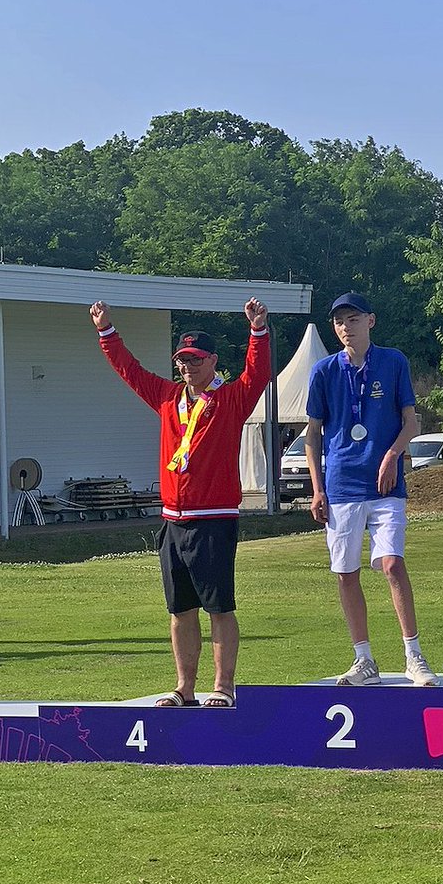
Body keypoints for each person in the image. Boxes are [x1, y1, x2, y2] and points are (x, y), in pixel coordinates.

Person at [90, 298, 271, 708]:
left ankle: (222, 688)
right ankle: (184, 687)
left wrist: (257, 331)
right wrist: (106, 332)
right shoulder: (169, 398)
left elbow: (257, 373)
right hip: (173, 520)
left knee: (219, 608)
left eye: (195, 359)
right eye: (182, 360)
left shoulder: (231, 400)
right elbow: (130, 372)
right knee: (180, 610)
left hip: (213, 518)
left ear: (212, 362)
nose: (187, 367)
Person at [305, 292, 435, 687]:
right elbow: (313, 433)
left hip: (386, 484)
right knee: (346, 573)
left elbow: (410, 422)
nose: (347, 327)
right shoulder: (324, 371)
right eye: (340, 321)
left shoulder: (393, 361)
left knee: (393, 564)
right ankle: (364, 660)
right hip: (342, 484)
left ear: (371, 321)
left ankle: (414, 655)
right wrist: (317, 488)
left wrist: (392, 455)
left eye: (354, 319)